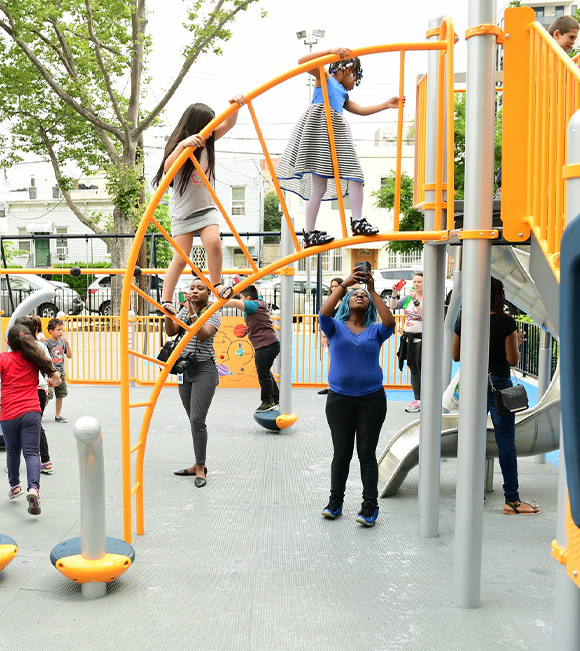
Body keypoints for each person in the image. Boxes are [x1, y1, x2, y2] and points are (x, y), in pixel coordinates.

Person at [276, 50, 404, 246]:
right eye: (355, 77)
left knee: (354, 175)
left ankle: (356, 220)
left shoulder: (343, 95)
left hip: (334, 134)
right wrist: (330, 52)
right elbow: (301, 60)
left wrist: (386, 105)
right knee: (321, 186)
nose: (354, 84)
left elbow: (360, 110)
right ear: (346, 69)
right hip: (320, 131)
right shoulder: (325, 78)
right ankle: (310, 232)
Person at [452, 278, 540, 515]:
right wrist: (515, 344)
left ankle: (471, 494)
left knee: (472, 440)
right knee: (505, 443)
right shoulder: (505, 321)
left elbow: (456, 355)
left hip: (473, 386)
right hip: (499, 385)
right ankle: (512, 500)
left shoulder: (465, 319)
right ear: (499, 296)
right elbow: (512, 360)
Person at [318, 266, 395, 527]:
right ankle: (335, 502)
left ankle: (369, 506)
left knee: (366, 453)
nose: (359, 296)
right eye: (355, 294)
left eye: (363, 295)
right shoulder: (335, 328)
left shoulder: (376, 331)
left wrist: (372, 289)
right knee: (341, 454)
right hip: (339, 399)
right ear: (346, 303)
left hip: (371, 400)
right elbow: (324, 312)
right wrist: (345, 284)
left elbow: (390, 322)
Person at [152, 96, 246, 310]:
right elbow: (167, 167)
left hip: (206, 208)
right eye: (208, 126)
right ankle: (166, 300)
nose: (211, 130)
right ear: (196, 127)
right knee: (180, 258)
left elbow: (229, 123)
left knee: (213, 242)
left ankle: (216, 284)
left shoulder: (209, 141)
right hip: (184, 213)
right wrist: (183, 145)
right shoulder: (181, 148)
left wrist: (235, 107)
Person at [0, 323, 59, 516]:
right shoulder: (34, 358)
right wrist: (55, 381)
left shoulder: (3, 358)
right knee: (31, 453)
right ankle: (34, 489)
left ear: (8, 342)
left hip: (10, 413)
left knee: (13, 450)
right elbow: (55, 377)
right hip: (31, 411)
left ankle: (15, 486)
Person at [165, 277, 221, 488]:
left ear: (209, 293)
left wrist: (192, 313)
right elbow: (171, 331)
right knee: (193, 420)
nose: (195, 291)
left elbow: (204, 334)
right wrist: (169, 313)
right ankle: (197, 462)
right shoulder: (184, 310)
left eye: (200, 288)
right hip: (184, 370)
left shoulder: (214, 311)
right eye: (192, 287)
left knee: (197, 419)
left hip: (205, 370)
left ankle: (200, 466)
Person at [223, 284, 280, 411]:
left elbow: (234, 303)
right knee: (265, 372)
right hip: (269, 344)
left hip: (266, 345)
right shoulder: (259, 301)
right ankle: (276, 397)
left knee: (263, 373)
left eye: (242, 297)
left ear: (248, 298)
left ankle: (268, 401)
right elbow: (256, 290)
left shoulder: (253, 305)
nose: (241, 299)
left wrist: (216, 302)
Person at [20, 315, 54, 473]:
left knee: (19, 424)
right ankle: (45, 460)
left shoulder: (19, 347)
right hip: (40, 389)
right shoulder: (40, 346)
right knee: (36, 424)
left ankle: (14, 461)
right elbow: (49, 366)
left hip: (27, 389)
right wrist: (51, 380)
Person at [389, 272, 424, 413]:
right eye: (414, 281)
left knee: (423, 369)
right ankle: (418, 398)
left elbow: (425, 314)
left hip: (423, 338)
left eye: (419, 282)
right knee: (414, 368)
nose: (416, 284)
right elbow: (393, 306)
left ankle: (427, 398)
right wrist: (394, 292)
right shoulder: (409, 297)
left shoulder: (428, 297)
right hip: (409, 338)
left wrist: (416, 301)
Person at [317, 277, 345, 395]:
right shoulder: (330, 301)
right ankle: (331, 386)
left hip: (339, 335)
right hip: (330, 335)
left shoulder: (344, 302)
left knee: (339, 361)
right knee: (332, 360)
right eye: (332, 286)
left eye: (336, 286)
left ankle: (338, 386)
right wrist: (324, 334)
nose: (333, 289)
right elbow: (324, 317)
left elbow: (341, 320)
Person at [44, 318, 72, 423]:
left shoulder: (62, 342)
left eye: (62, 330)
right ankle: (39, 412)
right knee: (48, 394)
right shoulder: (47, 343)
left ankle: (58, 415)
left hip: (61, 372)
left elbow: (69, 356)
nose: (61, 332)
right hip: (50, 373)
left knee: (60, 394)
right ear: (51, 331)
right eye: (58, 329)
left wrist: (68, 345)